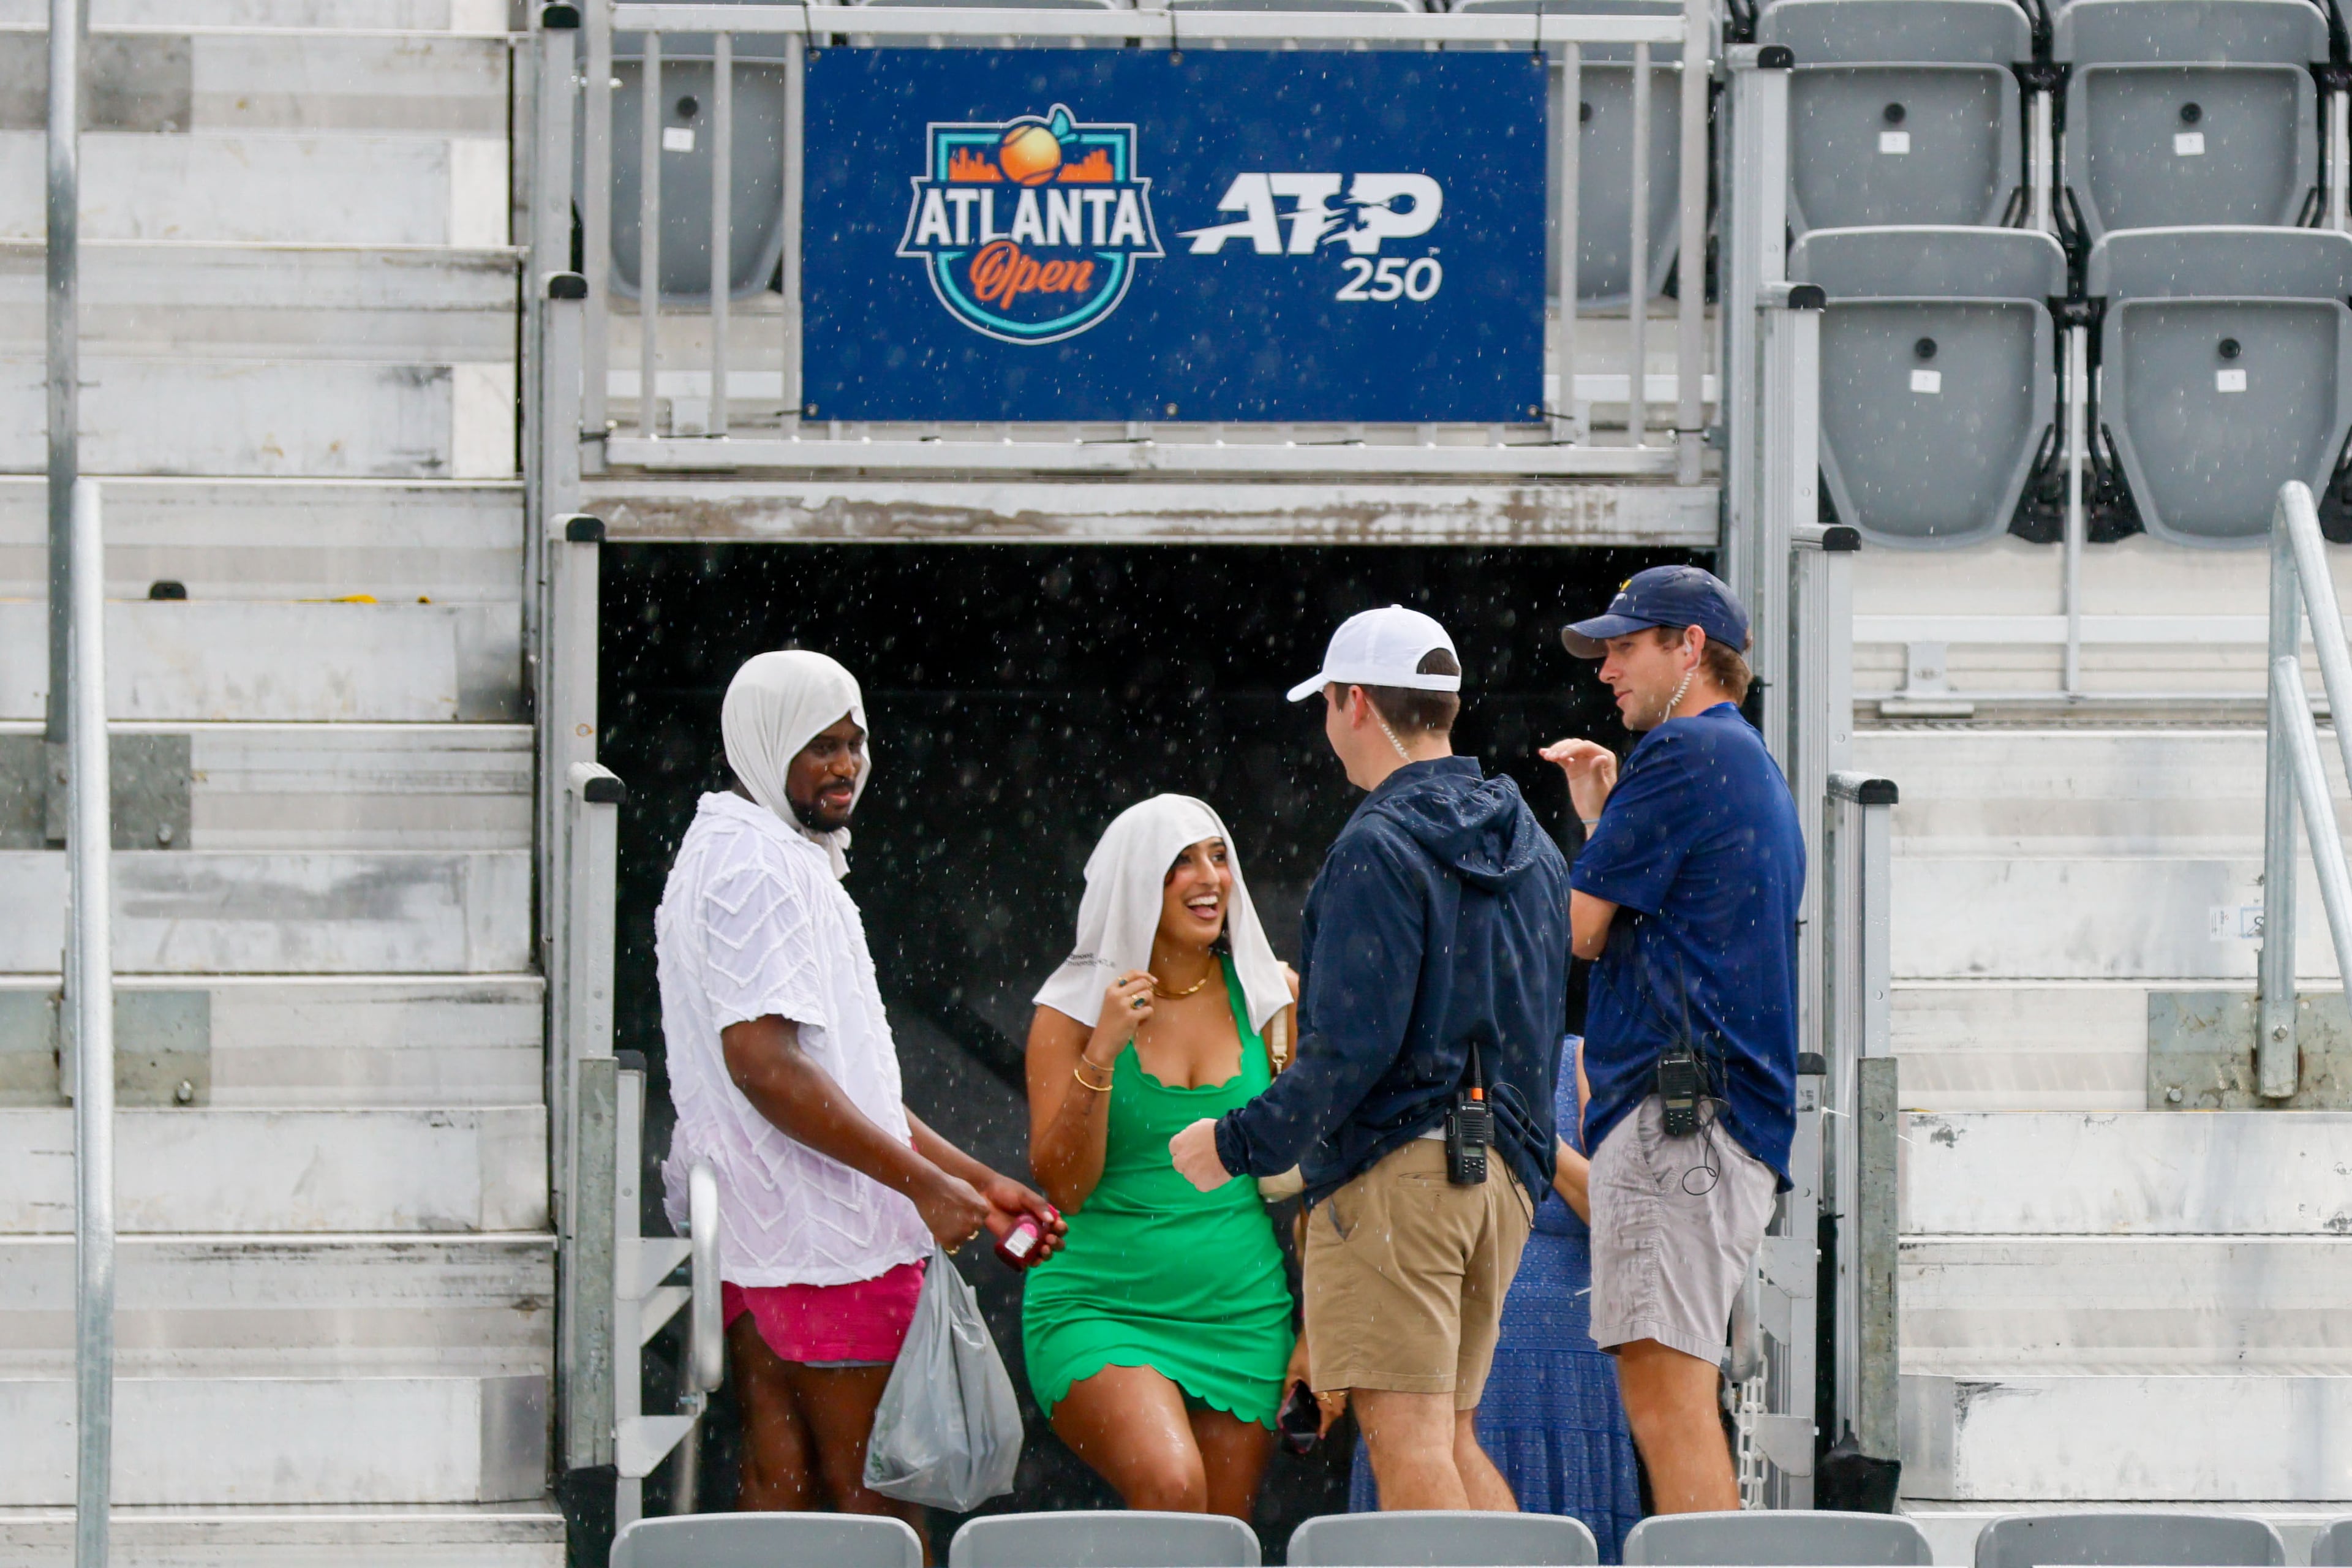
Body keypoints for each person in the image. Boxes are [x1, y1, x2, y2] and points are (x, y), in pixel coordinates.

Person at [1169, 605, 1572, 1513]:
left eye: (1326, 705)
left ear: (1354, 702)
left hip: (1400, 1179)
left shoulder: (1375, 847)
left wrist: (1232, 1143)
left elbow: (1352, 1053)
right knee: (1454, 1437)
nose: (1324, 728)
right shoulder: (1535, 848)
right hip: (1503, 1175)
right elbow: (1537, 1025)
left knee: (1411, 1448)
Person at [655, 649, 1065, 1536]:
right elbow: (766, 1067)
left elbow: (842, 1082)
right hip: (827, 1244)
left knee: (784, 1499)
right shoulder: (761, 870)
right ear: (764, 746)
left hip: (771, 1240)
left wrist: (973, 1178)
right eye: (820, 747)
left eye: (855, 744)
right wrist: (921, 1185)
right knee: (877, 1515)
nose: (846, 766)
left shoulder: (739, 847)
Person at [1539, 565, 1804, 1515]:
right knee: (1677, 1402)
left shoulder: (1685, 753)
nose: (1606, 668)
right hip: (1712, 1125)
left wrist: (1579, 843)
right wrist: (1608, 820)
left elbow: (1579, 926)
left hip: (1680, 1126)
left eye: (1625, 645)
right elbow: (1650, 924)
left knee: (1668, 1409)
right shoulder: (1738, 756)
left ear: (1691, 649)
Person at [1022, 795, 1303, 1520]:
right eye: (1181, 861)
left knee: (1222, 1533)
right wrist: (1102, 1052)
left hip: (1240, 1311)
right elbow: (1065, 1186)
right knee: (1173, 1487)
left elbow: (1311, 1174)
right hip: (1098, 1303)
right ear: (1134, 883)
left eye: (1218, 856)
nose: (1208, 876)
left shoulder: (1269, 998)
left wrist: (1318, 1333)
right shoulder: (1070, 1011)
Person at [1349, 1038, 1642, 1561]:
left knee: (1555, 1537)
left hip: (1558, 1371)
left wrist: (1527, 1138)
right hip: (1431, 1340)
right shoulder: (1406, 1051)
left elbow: (1619, 1215)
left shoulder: (1579, 1057)